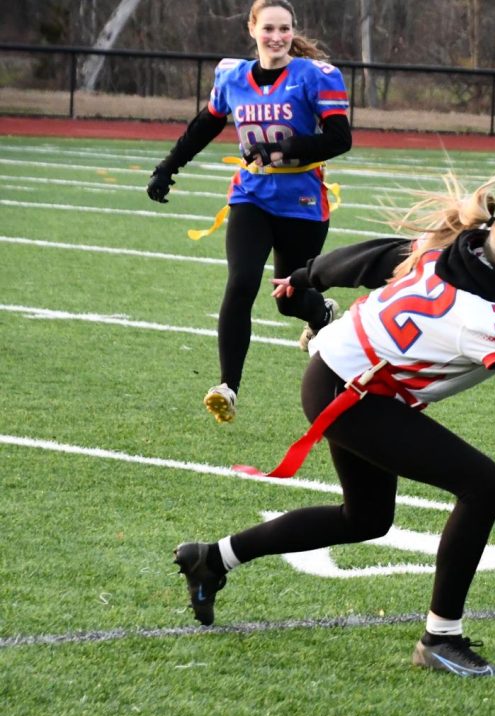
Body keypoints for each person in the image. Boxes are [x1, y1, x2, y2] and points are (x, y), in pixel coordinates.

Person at [173, 156, 495, 677]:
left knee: (365, 518)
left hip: (340, 374)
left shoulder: (453, 252)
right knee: (483, 485)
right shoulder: (486, 318)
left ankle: (214, 558)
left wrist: (303, 277)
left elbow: (370, 258)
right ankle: (441, 638)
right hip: (352, 391)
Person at [146, 0, 352, 423]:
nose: (277, 37)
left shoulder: (315, 75)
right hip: (251, 196)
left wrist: (285, 148)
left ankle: (321, 312)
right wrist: (168, 166)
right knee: (241, 281)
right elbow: (206, 124)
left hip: (302, 202)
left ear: (293, 32)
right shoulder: (232, 76)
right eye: (269, 28)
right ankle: (228, 386)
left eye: (285, 29)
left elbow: (339, 138)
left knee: (290, 300)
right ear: (252, 29)